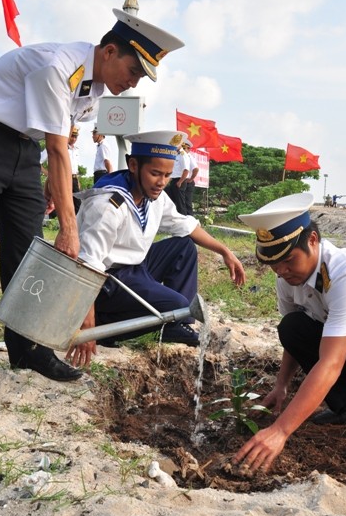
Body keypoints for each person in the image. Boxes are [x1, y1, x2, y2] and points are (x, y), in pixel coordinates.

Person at [0, 8, 184, 386]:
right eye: (133, 71)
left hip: (24, 150)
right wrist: (69, 228)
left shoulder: (96, 87)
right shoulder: (57, 67)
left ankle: (28, 349)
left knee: (28, 254)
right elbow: (58, 148)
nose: (133, 83)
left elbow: (61, 136)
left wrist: (55, 187)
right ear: (109, 51)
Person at [233, 192, 346, 474]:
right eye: (274, 265)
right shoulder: (289, 277)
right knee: (293, 326)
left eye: (288, 261)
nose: (281, 271)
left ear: (312, 240)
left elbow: (331, 362)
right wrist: (281, 385)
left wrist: (280, 431)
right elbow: (295, 339)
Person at [66, 130, 246, 368]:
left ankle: (176, 323)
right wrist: (85, 327)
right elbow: (87, 266)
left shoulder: (155, 197)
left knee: (184, 246)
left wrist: (225, 251)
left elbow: (185, 226)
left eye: (167, 175)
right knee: (177, 304)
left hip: (136, 268)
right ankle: (106, 326)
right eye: (155, 173)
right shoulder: (109, 205)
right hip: (106, 282)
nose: (161, 182)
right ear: (133, 165)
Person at [165, 143, 189, 214]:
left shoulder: (183, 154)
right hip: (173, 180)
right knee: (170, 202)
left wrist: (180, 182)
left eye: (176, 144)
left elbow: (186, 170)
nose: (175, 146)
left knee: (180, 204)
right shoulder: (175, 154)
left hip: (179, 181)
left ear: (180, 145)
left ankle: (183, 221)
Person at [183, 139, 199, 216]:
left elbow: (196, 169)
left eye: (184, 147)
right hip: (180, 180)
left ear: (188, 149)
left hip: (187, 181)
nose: (182, 149)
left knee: (187, 203)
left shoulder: (189, 157)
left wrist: (191, 179)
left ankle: (190, 221)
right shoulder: (179, 156)